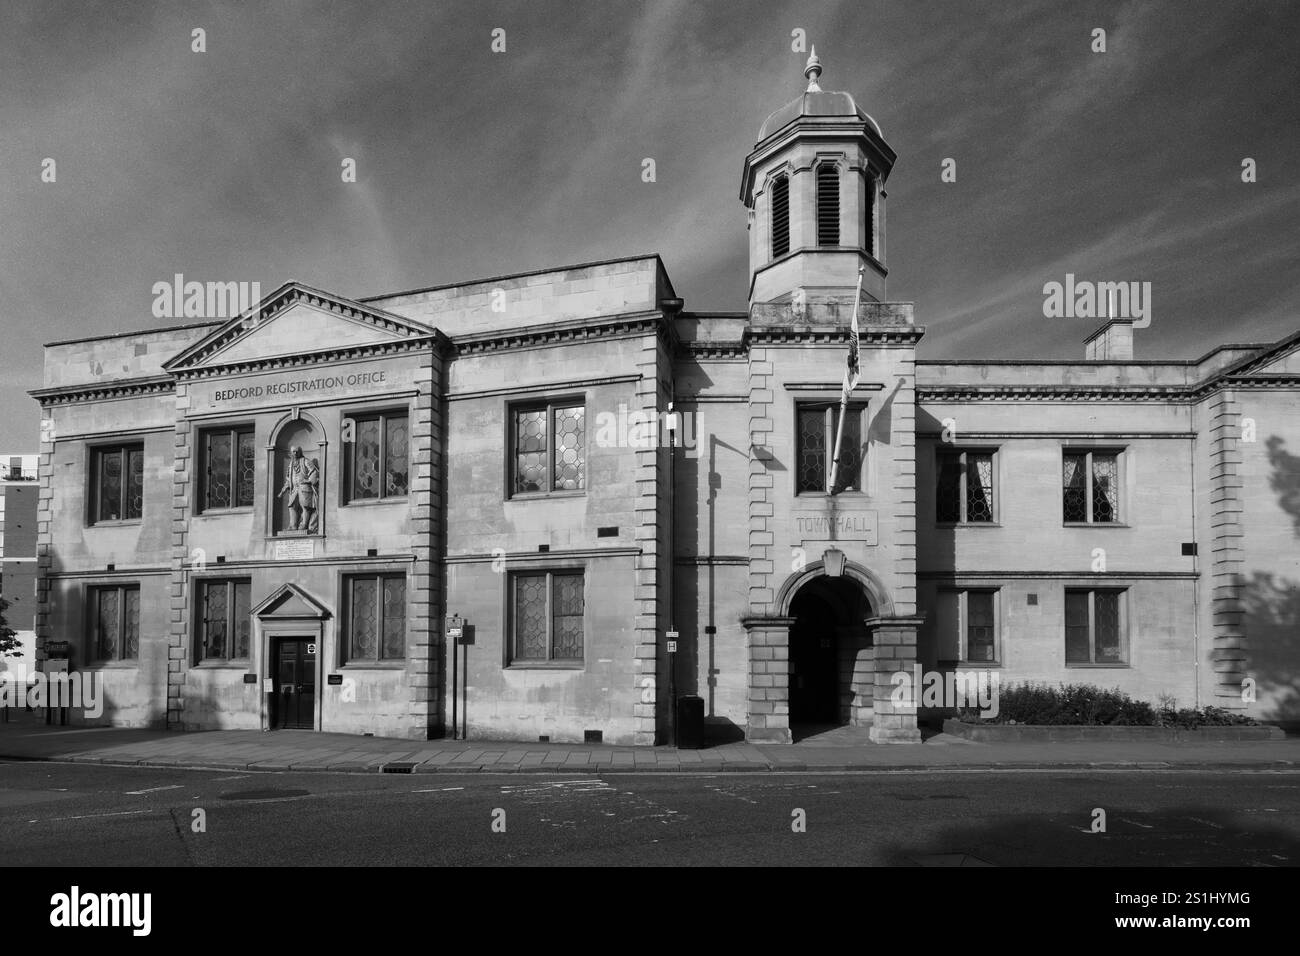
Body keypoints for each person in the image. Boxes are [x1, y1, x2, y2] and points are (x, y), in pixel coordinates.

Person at [279, 446, 320, 532]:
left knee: (305, 506)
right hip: (294, 488)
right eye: (293, 452)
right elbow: (288, 478)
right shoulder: (291, 464)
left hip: (304, 487)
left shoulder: (306, 461)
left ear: (300, 452)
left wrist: (308, 480)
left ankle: (303, 525)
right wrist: (284, 488)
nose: (295, 453)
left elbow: (314, 472)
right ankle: (293, 525)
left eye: (297, 451)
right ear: (291, 453)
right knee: (291, 506)